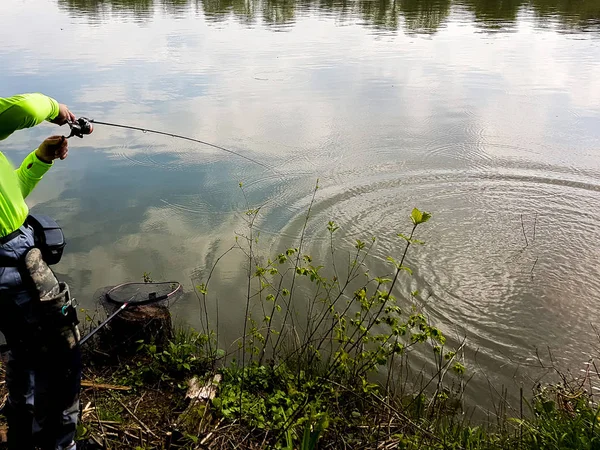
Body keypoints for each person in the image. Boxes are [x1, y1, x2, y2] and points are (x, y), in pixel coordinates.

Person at [0, 93, 80, 450]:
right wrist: (56, 109)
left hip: (11, 254)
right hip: (10, 261)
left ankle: (21, 432)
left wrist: (39, 160)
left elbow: (9, 197)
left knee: (23, 348)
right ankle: (57, 446)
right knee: (60, 358)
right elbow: (24, 109)